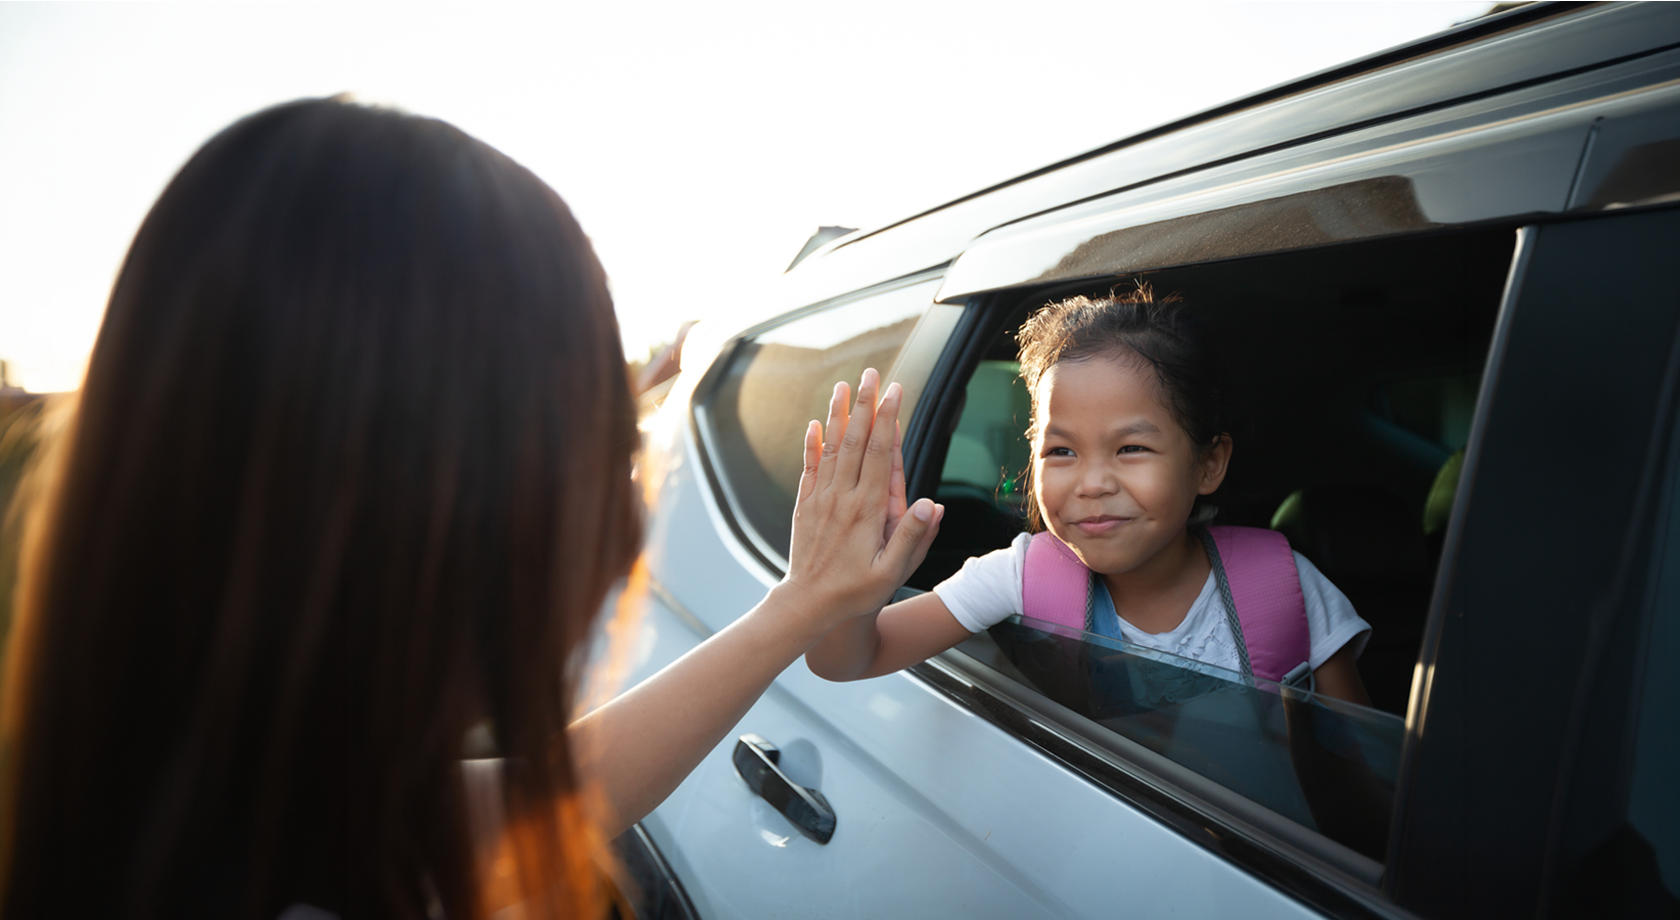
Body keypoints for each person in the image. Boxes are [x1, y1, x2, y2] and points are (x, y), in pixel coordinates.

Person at [0, 98, 941, 920]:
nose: (625, 522)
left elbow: (553, 797)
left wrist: (796, 608)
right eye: (589, 444)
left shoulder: (202, 793)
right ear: (412, 501)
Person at [806, 287, 1373, 705]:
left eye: (1130, 449)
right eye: (1061, 452)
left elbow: (1360, 790)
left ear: (1208, 463)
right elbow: (845, 659)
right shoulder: (1020, 576)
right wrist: (860, 587)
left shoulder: (1284, 589)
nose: (1092, 483)